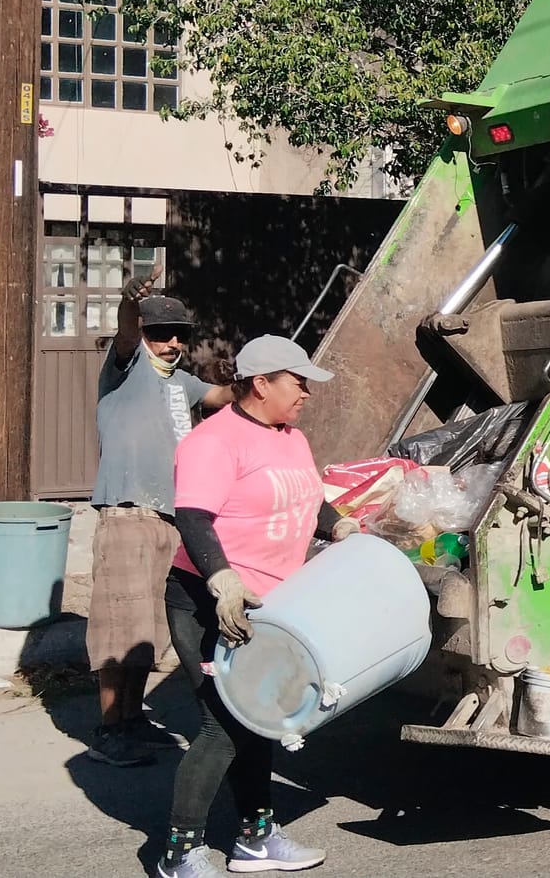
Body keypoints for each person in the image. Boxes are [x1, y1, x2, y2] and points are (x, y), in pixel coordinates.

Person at [159, 335, 358, 878]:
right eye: (298, 383)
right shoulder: (214, 441)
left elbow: (310, 497)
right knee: (223, 725)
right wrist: (221, 578)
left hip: (271, 604)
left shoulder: (290, 438)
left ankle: (255, 839)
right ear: (261, 382)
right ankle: (178, 853)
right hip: (209, 600)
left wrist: (339, 524)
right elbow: (194, 518)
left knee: (263, 717)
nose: (306, 394)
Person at [86, 274, 233, 767]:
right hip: (128, 511)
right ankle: (109, 729)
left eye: (179, 334)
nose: (172, 343)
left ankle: (131, 719)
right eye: (161, 333)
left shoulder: (181, 382)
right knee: (119, 625)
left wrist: (264, 378)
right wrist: (132, 300)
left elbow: (222, 398)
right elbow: (127, 331)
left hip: (169, 518)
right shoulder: (125, 369)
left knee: (148, 629)